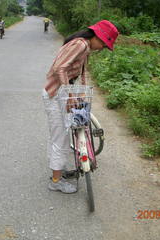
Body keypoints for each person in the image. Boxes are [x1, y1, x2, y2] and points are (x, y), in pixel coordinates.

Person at [42, 20, 119, 193]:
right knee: (60, 139)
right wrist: (70, 94)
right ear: (97, 36)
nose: (102, 48)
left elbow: (81, 72)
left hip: (61, 93)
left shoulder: (84, 47)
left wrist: (81, 92)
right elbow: (59, 68)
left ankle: (57, 171)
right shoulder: (81, 44)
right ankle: (55, 181)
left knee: (59, 136)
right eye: (104, 44)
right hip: (56, 95)